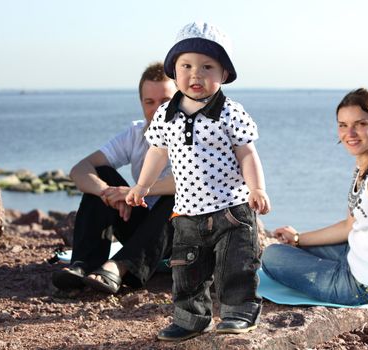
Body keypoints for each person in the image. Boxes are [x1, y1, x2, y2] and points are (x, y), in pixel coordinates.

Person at [126, 22, 271, 341]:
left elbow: (247, 154)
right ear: (174, 72)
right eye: (186, 66)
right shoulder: (166, 114)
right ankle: (191, 318)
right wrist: (142, 185)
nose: (196, 74)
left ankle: (238, 312)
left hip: (231, 209)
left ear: (224, 74)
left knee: (236, 264)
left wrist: (257, 188)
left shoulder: (230, 112)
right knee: (187, 270)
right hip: (188, 211)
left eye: (207, 67)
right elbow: (157, 152)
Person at [262, 88, 368, 313]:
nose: (350, 133)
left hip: (365, 286)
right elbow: (349, 226)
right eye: (343, 125)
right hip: (353, 255)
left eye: (361, 124)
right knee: (287, 249)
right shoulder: (365, 163)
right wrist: (297, 238)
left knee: (271, 256)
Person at [51, 62, 177, 295]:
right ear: (141, 103)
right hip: (144, 233)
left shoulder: (195, 134)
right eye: (150, 102)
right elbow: (80, 169)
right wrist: (107, 193)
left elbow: (194, 182)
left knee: (179, 199)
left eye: (165, 102)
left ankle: (120, 267)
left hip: (182, 237)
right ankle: (83, 265)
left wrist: (135, 192)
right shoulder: (136, 134)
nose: (157, 109)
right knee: (102, 174)